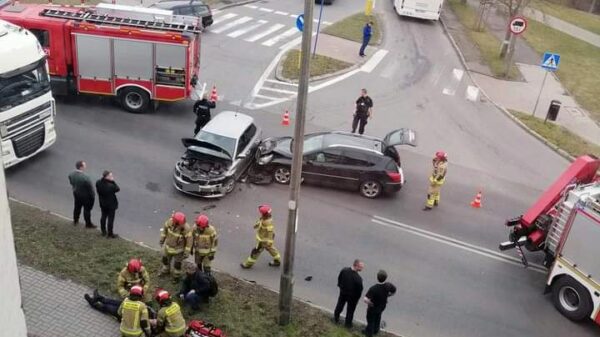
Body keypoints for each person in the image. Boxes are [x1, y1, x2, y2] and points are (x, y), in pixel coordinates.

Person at [241, 204, 281, 269]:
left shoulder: (266, 222)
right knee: (271, 249)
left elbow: (270, 232)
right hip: (265, 240)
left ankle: (248, 264)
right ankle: (277, 260)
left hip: (263, 240)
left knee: (255, 251)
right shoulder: (266, 218)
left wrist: (269, 242)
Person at [159, 212, 193, 281]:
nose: (182, 225)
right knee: (165, 260)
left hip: (178, 250)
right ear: (175, 222)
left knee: (177, 264)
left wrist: (187, 252)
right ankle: (165, 271)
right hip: (168, 247)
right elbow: (164, 231)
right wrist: (162, 240)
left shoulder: (186, 228)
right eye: (181, 224)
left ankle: (176, 276)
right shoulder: (169, 223)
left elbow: (189, 241)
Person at [363, 270, 397, 337]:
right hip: (382, 307)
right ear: (386, 278)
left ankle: (369, 333)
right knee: (378, 318)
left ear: (377, 277)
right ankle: (375, 330)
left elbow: (365, 299)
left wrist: (370, 304)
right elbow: (394, 291)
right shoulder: (388, 285)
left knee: (370, 321)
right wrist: (388, 295)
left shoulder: (374, 288)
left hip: (373, 308)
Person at [333, 259, 364, 328]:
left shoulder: (344, 270)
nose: (362, 268)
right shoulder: (358, 279)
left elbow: (339, 279)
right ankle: (348, 324)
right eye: (361, 267)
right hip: (352, 297)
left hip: (343, 292)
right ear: (356, 266)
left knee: (339, 305)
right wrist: (356, 299)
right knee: (350, 311)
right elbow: (359, 291)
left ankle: (336, 318)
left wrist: (341, 288)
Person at [68, 160, 95, 228]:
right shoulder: (85, 177)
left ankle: (75, 220)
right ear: (81, 167)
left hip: (76, 193)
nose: (85, 166)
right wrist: (93, 196)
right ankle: (88, 224)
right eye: (84, 165)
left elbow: (71, 182)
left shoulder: (71, 174)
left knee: (77, 207)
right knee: (87, 210)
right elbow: (90, 189)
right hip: (86, 196)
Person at [96, 170, 120, 238]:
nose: (112, 177)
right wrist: (113, 181)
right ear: (107, 177)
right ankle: (110, 234)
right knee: (110, 219)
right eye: (111, 176)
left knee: (103, 216)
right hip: (111, 205)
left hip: (103, 203)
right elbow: (117, 189)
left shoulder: (98, 182)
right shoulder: (111, 186)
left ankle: (103, 231)